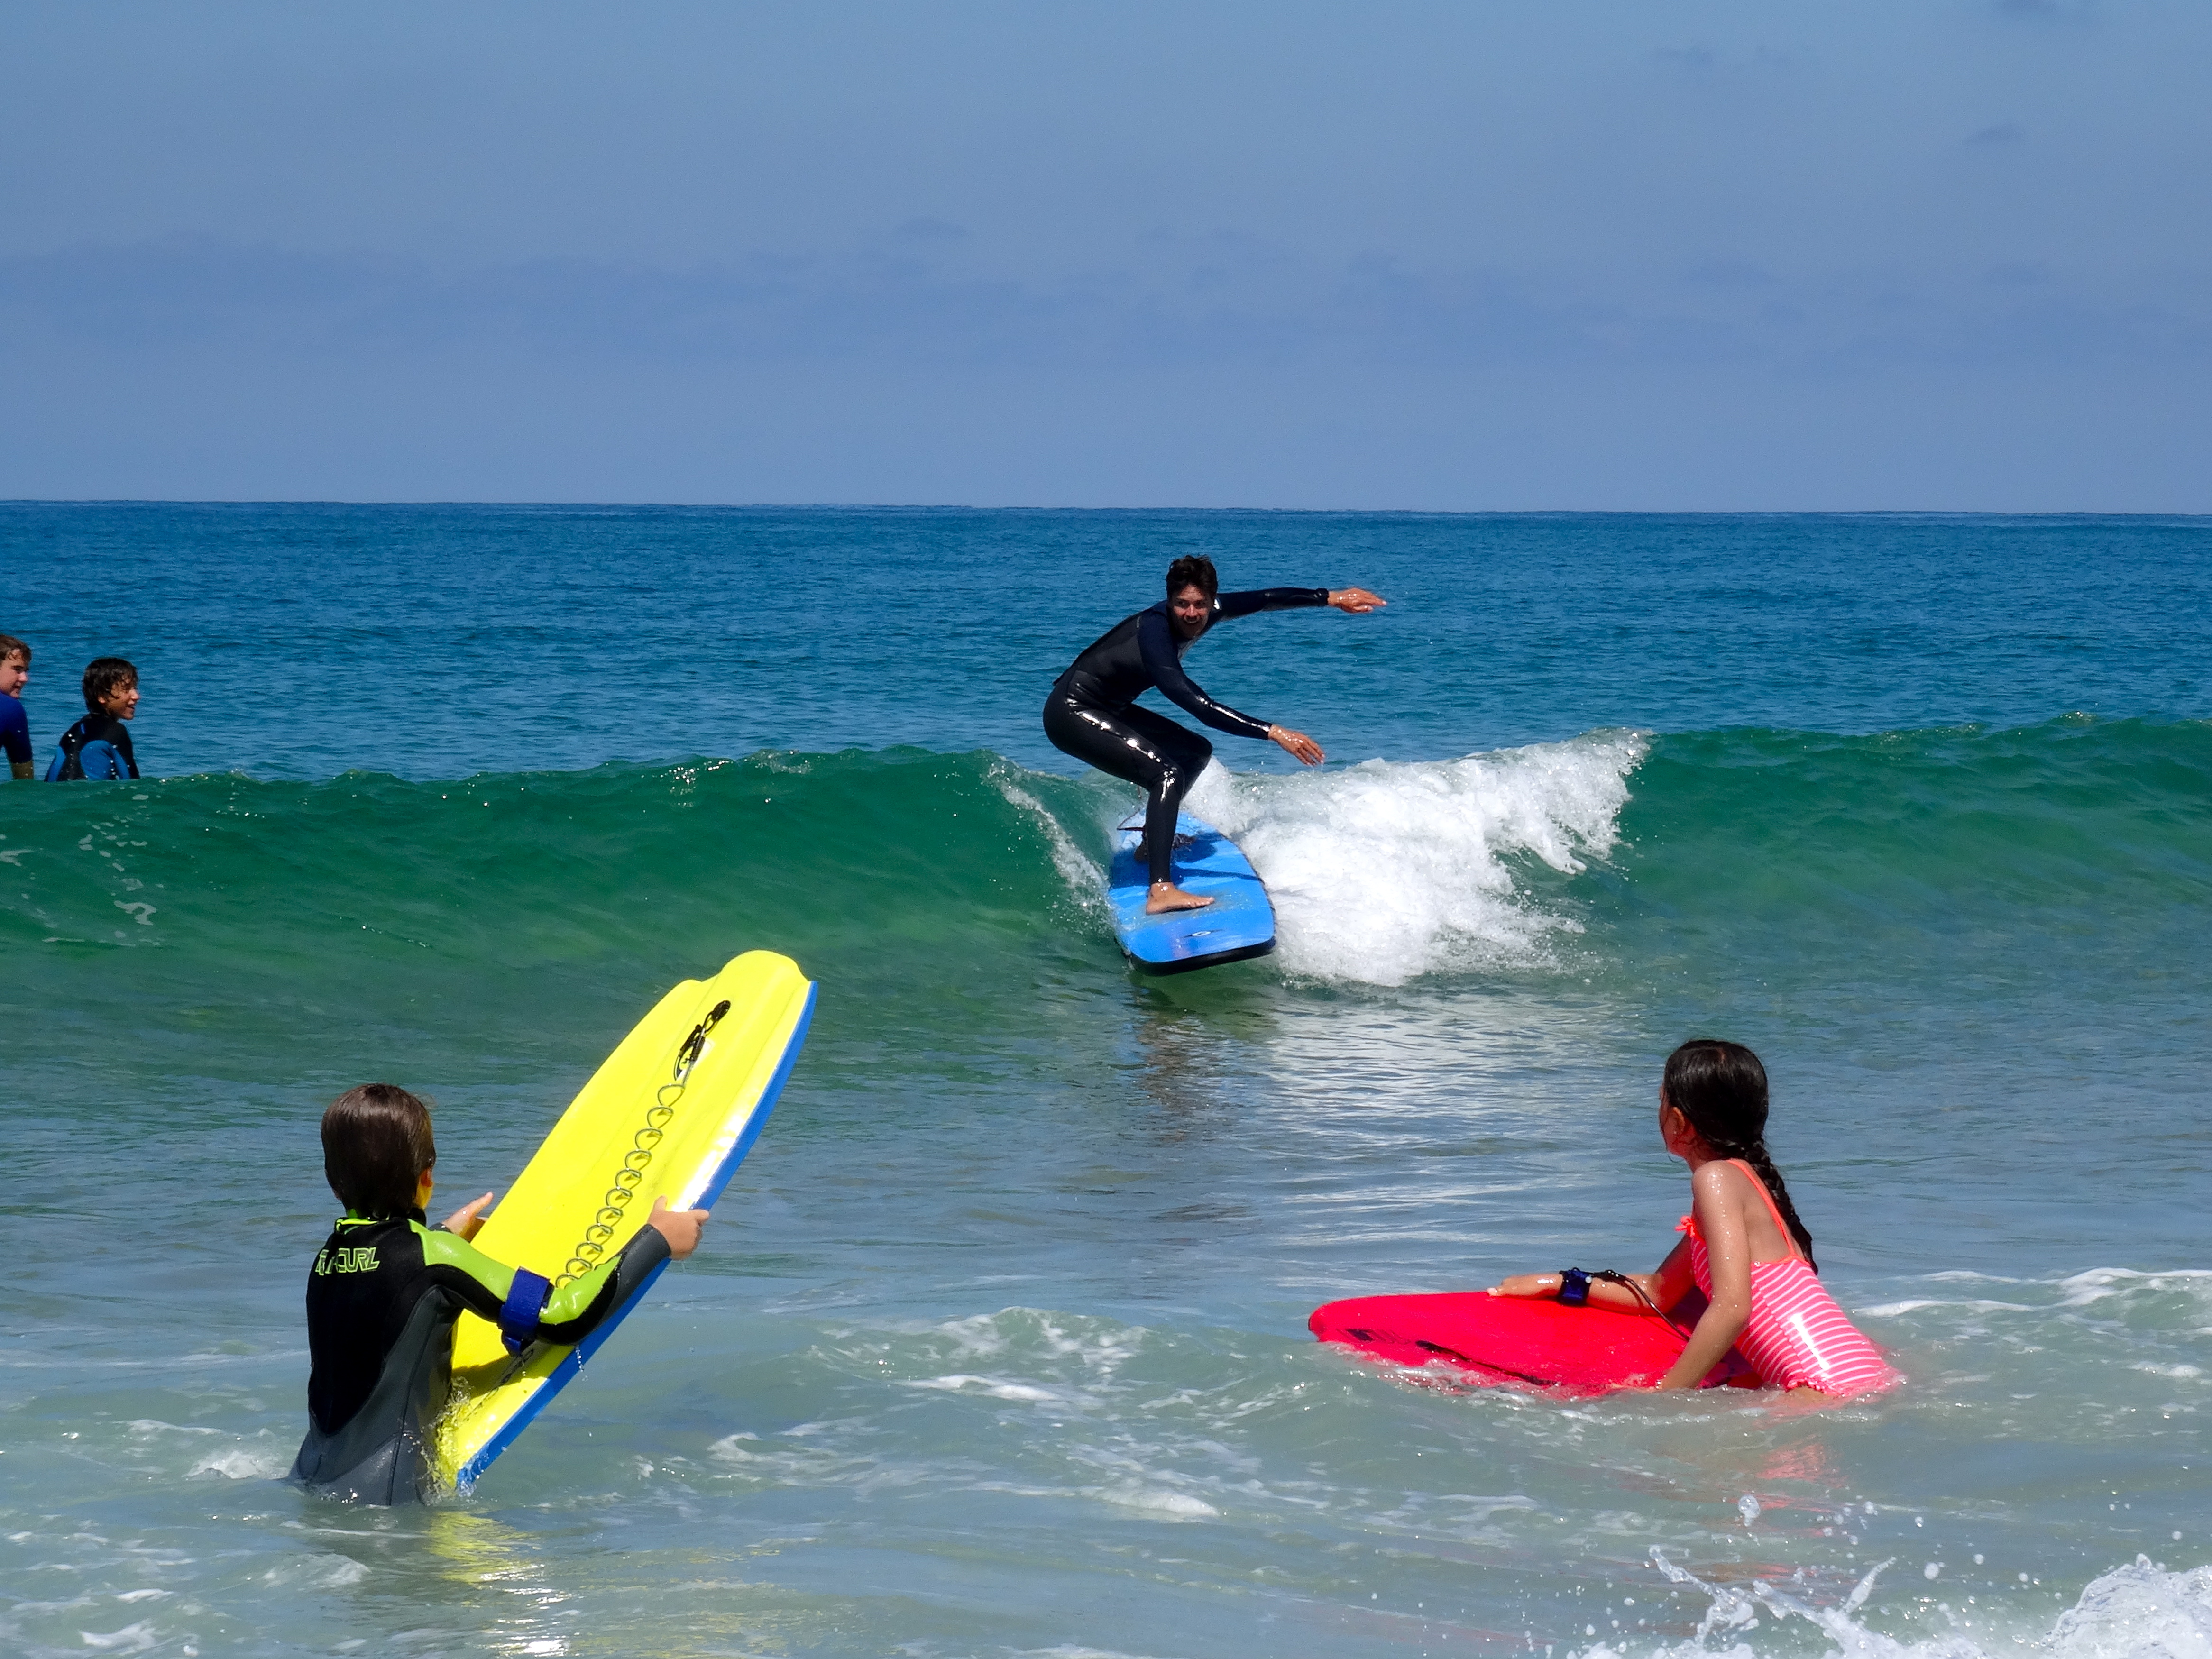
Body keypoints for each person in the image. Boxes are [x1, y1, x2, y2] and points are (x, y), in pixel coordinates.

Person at [292, 1082, 708, 1504]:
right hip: (390, 1503)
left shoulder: (328, 1259)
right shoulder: (435, 1258)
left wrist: (441, 1236)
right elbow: (565, 1317)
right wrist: (657, 1240)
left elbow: (389, 1289)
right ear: (427, 1176)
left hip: (312, 1480)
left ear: (334, 1184)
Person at [1489, 1039, 1897, 1398]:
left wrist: (1664, 1395)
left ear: (1680, 1121)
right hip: (1858, 1372)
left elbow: (1733, 1307)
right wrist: (1563, 1283)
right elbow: (1660, 1291)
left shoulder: (1715, 1178)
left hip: (1819, 1386)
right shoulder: (1747, 1183)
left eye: (1660, 1099)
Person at [1044, 556, 1386, 913]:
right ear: (1169, 600)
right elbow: (1199, 706)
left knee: (1194, 752)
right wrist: (1272, 732)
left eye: (1200, 605)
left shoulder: (1213, 609)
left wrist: (1329, 597)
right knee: (1167, 773)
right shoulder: (1155, 635)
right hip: (1071, 712)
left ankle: (1150, 842)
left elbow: (1266, 598)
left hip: (1107, 705)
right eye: (1182, 604)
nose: (1192, 614)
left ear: (1212, 600)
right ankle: (1160, 890)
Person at [46, 657, 142, 782]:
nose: (136, 696)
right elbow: (133, 784)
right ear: (102, 697)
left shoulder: (73, 731)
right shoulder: (116, 732)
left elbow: (51, 781)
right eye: (127, 689)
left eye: (135, 688)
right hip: (87, 799)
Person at [0, 635, 31, 780]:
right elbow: (25, 781)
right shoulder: (10, 708)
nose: (25, 678)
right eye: (17, 670)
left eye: (25, 671)